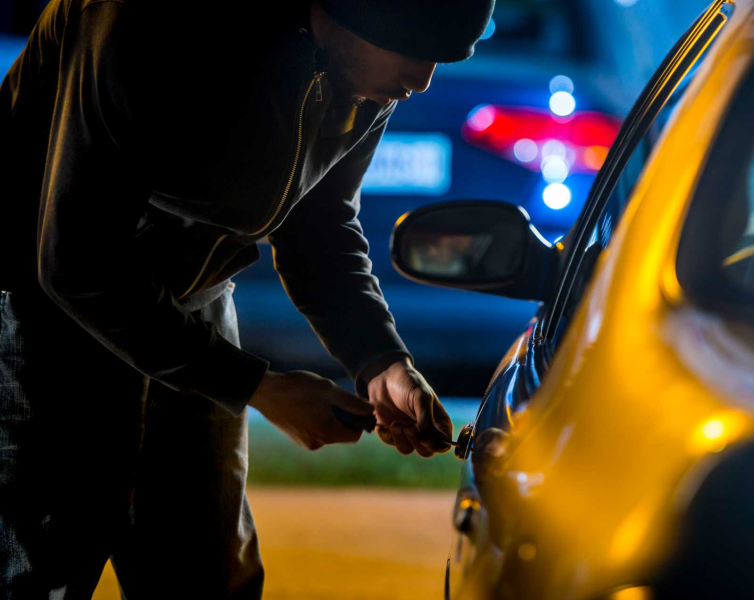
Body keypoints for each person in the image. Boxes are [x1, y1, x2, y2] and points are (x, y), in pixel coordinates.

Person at [0, 0, 495, 597]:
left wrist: (380, 361)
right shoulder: (144, 26)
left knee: (208, 574)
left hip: (194, 306)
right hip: (37, 316)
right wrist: (259, 389)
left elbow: (319, 225)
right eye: (415, 54)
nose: (422, 81)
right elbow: (78, 262)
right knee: (39, 568)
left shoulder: (364, 82)